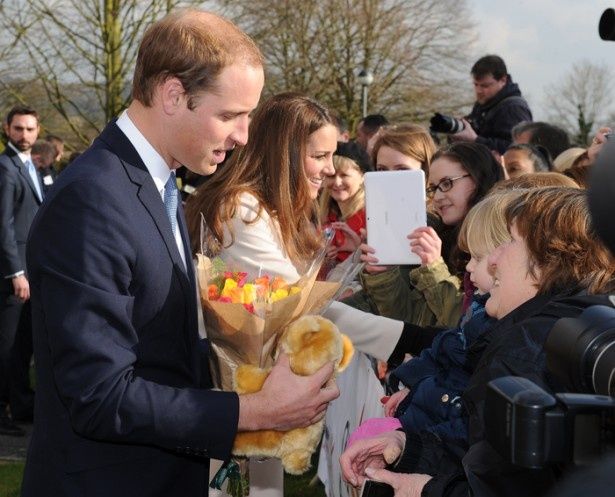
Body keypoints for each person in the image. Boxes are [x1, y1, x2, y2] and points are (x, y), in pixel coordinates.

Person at [22, 11, 338, 497]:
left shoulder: (155, 185)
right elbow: (99, 396)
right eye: (230, 115)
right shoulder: (92, 200)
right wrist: (255, 412)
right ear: (172, 95)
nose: (244, 136)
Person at [339, 187, 615, 497]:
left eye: (509, 241)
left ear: (546, 260)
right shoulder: (578, 327)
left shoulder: (524, 353)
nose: (494, 259)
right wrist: (407, 446)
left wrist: (424, 490)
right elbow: (488, 452)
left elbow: (500, 487)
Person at [185, 91, 339, 496]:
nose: (331, 168)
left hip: (258, 393)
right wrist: (404, 336)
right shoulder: (243, 209)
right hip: (233, 394)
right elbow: (298, 303)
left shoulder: (270, 209)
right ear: (284, 154)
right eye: (320, 156)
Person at [359, 142, 504, 332]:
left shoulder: (500, 243)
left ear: (479, 178)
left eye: (447, 183)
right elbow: (408, 322)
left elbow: (466, 326)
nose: (437, 197)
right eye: (433, 188)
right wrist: (383, 274)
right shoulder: (438, 237)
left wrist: (434, 269)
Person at [0, 106, 44, 437]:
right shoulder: (5, 167)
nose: (24, 135)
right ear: (7, 129)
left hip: (31, 273)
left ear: (38, 131)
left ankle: (20, 404)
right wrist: (16, 272)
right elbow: (3, 226)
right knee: (8, 346)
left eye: (29, 129)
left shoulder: (29, 164)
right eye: (18, 128)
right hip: (14, 277)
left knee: (23, 347)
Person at [448, 55, 532, 155]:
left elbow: (520, 151)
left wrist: (475, 140)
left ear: (503, 80)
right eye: (476, 84)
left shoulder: (513, 108)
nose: (478, 90)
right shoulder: (485, 103)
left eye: (485, 86)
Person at [319, 141, 372, 277]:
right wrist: (324, 258)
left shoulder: (371, 216)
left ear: (362, 177)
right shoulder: (324, 215)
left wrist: (358, 251)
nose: (337, 182)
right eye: (331, 176)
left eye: (344, 175)